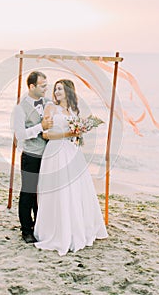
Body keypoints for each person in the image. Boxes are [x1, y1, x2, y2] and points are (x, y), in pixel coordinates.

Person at [34, 79, 108, 255]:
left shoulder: (74, 110)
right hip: (55, 152)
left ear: (68, 91)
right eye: (56, 89)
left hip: (72, 151)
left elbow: (75, 133)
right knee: (57, 190)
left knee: (75, 190)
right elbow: (45, 134)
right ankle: (55, 230)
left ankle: (76, 228)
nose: (57, 91)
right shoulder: (51, 108)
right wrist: (69, 133)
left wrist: (78, 134)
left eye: (60, 88)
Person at [13, 71, 53, 243]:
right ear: (32, 86)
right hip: (31, 156)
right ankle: (26, 230)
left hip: (49, 156)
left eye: (46, 84)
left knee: (43, 193)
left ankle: (40, 225)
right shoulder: (19, 109)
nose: (46, 88)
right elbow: (20, 134)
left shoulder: (49, 103)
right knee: (28, 193)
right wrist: (40, 127)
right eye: (42, 85)